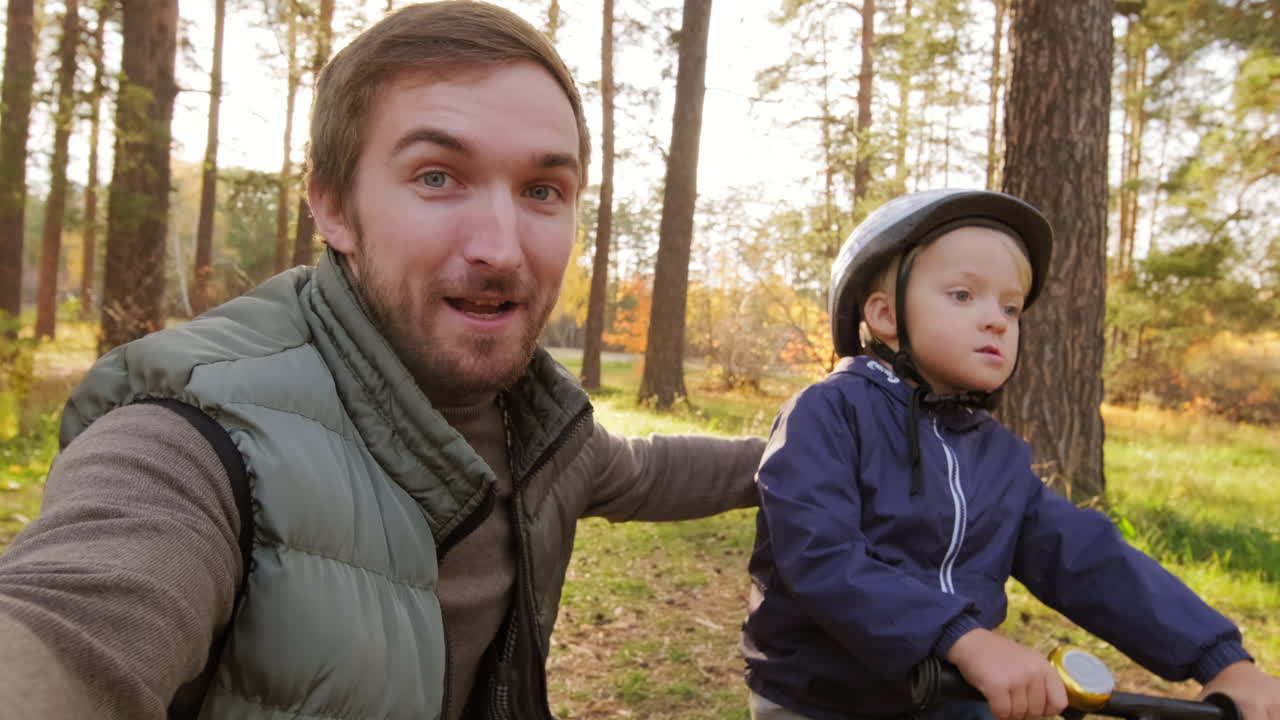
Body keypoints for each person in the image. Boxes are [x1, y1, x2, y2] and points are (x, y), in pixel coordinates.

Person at [0, 3, 766, 718]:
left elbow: (647, 470)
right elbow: (74, 622)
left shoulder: (535, 424)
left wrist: (815, 442)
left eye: (542, 189)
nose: (500, 248)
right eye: (437, 177)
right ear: (333, 206)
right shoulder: (194, 438)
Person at [740, 189, 1280, 720]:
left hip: (949, 691)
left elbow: (1087, 559)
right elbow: (821, 555)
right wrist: (963, 639)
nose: (997, 320)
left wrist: (1218, 657)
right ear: (884, 315)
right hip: (822, 698)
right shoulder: (829, 412)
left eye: (1011, 307)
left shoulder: (996, 455)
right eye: (962, 295)